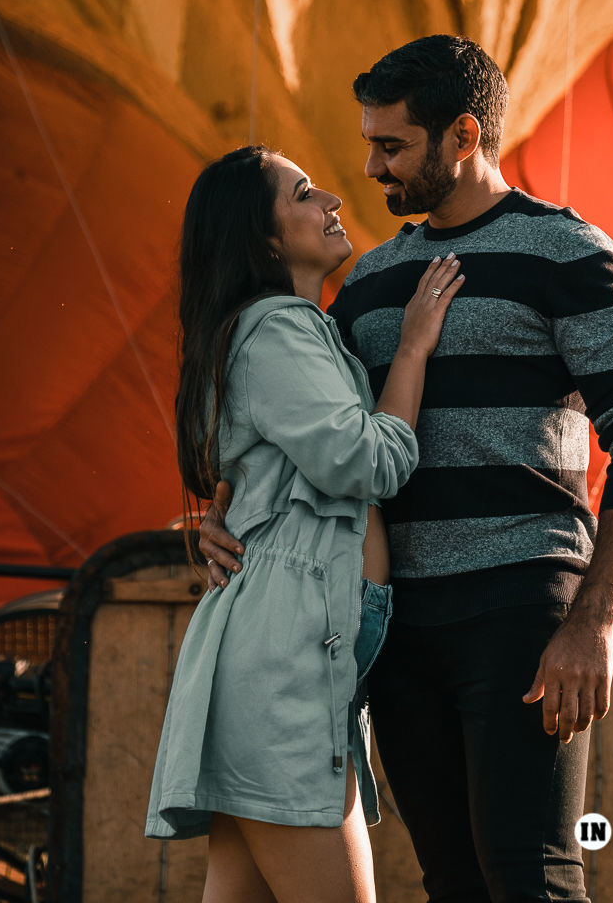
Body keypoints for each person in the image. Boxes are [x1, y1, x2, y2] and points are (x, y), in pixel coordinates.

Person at [199, 37, 613, 903]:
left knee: (531, 879)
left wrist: (591, 622)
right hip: (394, 630)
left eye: (393, 146)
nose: (371, 168)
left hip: (521, 611)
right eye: (369, 143)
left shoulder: (568, 252)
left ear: (464, 137)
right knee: (452, 883)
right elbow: (311, 442)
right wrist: (217, 513)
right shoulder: (369, 285)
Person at [145, 144, 465, 903]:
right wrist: (415, 348)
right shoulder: (279, 329)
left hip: (286, 657)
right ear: (261, 238)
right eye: (303, 194)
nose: (332, 200)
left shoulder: (282, 331)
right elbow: (367, 463)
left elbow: (264, 468)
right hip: (282, 668)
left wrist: (227, 511)